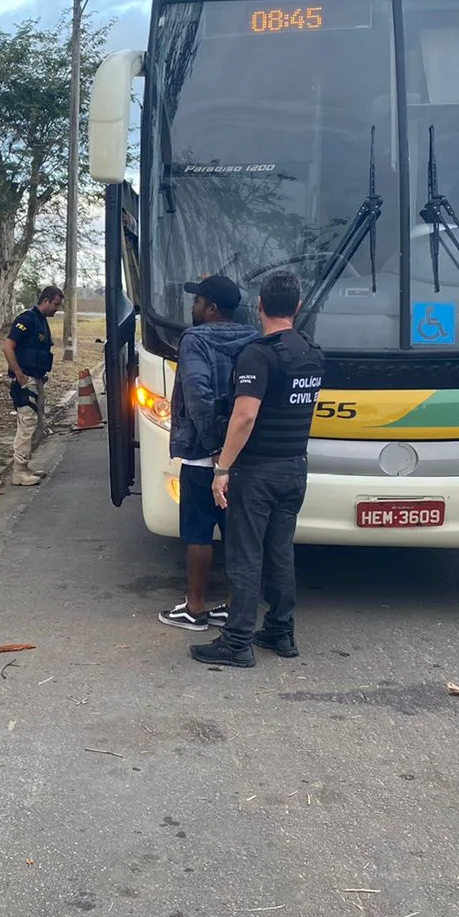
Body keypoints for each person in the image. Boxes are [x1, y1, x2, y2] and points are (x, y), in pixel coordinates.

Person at [191, 270, 323, 668]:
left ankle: (237, 641)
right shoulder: (313, 352)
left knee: (245, 555)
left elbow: (245, 416)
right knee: (280, 552)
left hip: (258, 471)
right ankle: (281, 632)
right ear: (297, 308)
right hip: (295, 468)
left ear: (260, 305)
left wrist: (222, 468)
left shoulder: (258, 354)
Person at [159, 274, 256, 632]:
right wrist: (231, 453)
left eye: (198, 301)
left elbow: (199, 397)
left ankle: (195, 608)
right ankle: (234, 607)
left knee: (198, 533)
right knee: (237, 535)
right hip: (244, 457)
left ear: (212, 308)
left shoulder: (194, 339)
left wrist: (216, 451)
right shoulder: (254, 339)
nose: (193, 306)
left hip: (204, 457)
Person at [3, 285, 64, 486]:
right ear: (45, 300)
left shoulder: (41, 322)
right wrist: (19, 375)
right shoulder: (27, 320)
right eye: (55, 304)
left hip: (37, 379)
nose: (57, 308)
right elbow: (8, 346)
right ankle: (19, 472)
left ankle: (25, 466)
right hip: (25, 380)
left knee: (38, 427)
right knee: (27, 424)